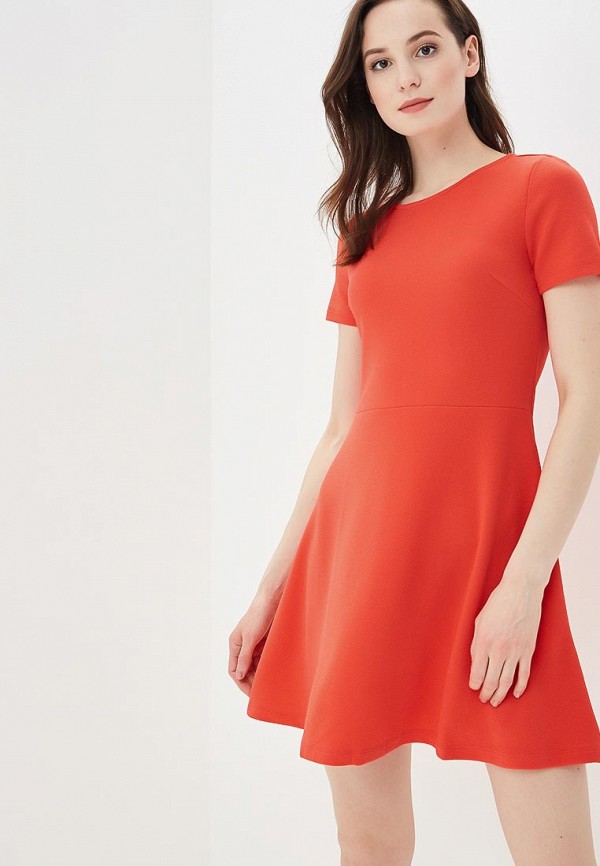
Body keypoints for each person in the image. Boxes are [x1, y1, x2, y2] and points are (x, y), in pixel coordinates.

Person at [228, 0, 600, 862]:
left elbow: (585, 396)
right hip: (358, 554)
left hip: (493, 555)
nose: (406, 77)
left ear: (469, 55)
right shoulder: (365, 232)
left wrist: (524, 583)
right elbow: (341, 430)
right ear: (364, 86)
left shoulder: (541, 187)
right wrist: (271, 588)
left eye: (424, 49)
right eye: (381, 62)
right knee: (370, 846)